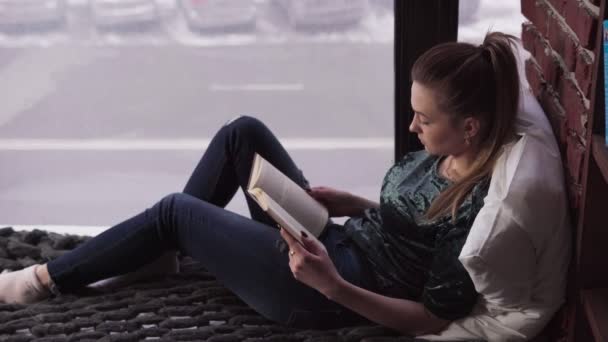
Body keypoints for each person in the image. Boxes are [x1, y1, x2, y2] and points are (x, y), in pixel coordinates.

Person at [0, 31, 521, 337]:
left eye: (423, 119)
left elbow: (431, 320)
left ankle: (41, 281)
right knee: (241, 133)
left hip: (326, 288)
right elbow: (412, 225)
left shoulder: (477, 212)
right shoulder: (446, 153)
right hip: (333, 240)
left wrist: (333, 286)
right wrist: (352, 203)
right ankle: (163, 254)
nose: (412, 127)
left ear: (469, 127)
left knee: (175, 212)